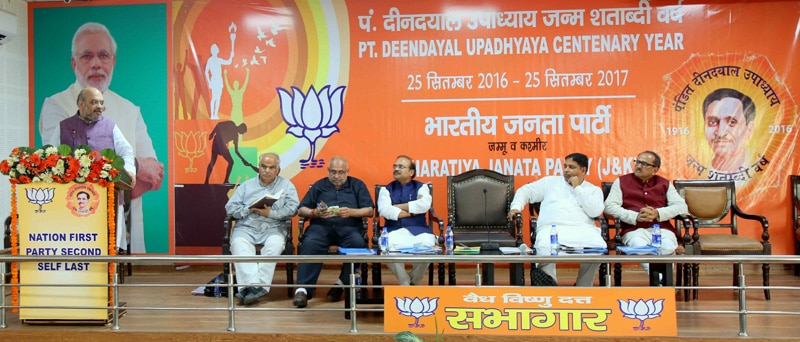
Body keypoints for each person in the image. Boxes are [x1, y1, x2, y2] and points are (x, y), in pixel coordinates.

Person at [39, 22, 164, 253]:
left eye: (103, 55)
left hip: (124, 222)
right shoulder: (55, 106)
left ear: (113, 61)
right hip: (77, 218)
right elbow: (66, 167)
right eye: (87, 56)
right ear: (74, 63)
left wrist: (108, 177)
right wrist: (133, 169)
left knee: (129, 285)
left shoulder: (130, 109)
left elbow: (154, 176)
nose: (96, 63)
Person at [506, 153, 605, 287]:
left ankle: (583, 287)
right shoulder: (550, 182)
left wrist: (578, 188)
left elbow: (594, 211)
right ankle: (550, 285)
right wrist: (516, 207)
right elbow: (526, 191)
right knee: (544, 247)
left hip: (584, 230)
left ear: (583, 170)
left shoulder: (593, 190)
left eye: (571, 167)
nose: (566, 170)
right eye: (565, 166)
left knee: (598, 248)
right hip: (552, 229)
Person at [57, 87, 136, 247]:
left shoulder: (111, 127)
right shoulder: (63, 127)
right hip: (73, 197)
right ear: (81, 103)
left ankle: (109, 270)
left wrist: (129, 170)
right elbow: (52, 156)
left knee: (108, 242)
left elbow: (126, 151)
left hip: (107, 195)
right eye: (94, 102)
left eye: (101, 102)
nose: (99, 106)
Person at [293, 156, 374, 308]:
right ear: (328, 171)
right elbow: (301, 209)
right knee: (309, 243)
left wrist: (351, 212)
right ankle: (303, 290)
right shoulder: (319, 186)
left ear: (347, 172)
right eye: (333, 172)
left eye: (341, 172)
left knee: (358, 243)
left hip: (348, 227)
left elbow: (369, 210)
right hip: (321, 227)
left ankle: (341, 284)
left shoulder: (357, 185)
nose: (336, 176)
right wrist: (314, 213)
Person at [224, 152, 299, 305]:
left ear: (278, 169)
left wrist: (271, 213)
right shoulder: (246, 185)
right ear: (258, 167)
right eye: (264, 166)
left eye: (271, 167)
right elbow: (230, 207)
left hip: (273, 227)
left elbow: (293, 209)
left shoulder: (286, 185)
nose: (267, 170)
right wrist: (248, 208)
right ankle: (255, 287)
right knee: (239, 245)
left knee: (275, 245)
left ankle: (250, 288)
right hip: (247, 227)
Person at [603, 151, 688, 275]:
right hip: (634, 230)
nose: (638, 166)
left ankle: (660, 282)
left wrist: (657, 213)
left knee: (667, 246)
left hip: (661, 229)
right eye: (637, 162)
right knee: (639, 246)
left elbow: (682, 206)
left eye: (644, 164)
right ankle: (662, 283)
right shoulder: (621, 182)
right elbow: (609, 207)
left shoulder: (664, 183)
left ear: (655, 170)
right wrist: (635, 216)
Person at [377, 155, 435, 286]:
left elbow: (424, 205)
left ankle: (412, 282)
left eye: (401, 167)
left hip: (419, 231)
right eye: (395, 166)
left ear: (411, 172)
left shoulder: (421, 187)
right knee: (387, 250)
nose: (396, 169)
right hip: (394, 231)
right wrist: (411, 212)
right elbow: (385, 210)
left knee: (428, 250)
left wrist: (398, 207)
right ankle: (406, 282)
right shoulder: (386, 189)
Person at [702, 88, 757, 173]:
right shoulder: (697, 172)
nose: (720, 132)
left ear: (749, 130)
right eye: (712, 122)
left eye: (732, 122)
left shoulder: (762, 173)